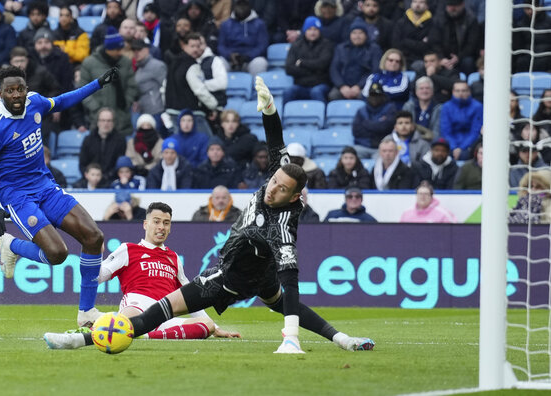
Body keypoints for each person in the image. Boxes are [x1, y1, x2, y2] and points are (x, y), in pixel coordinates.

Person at [66, 76, 375, 354]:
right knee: (275, 300)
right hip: (256, 272)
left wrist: (290, 338)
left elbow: (292, 281)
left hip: (230, 278)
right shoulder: (279, 176)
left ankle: (84, 339)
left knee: (162, 310)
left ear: (294, 197)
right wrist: (268, 109)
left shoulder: (283, 226)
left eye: (281, 189)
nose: (272, 188)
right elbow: (275, 141)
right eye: (274, 181)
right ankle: (342, 340)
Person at [0, 64, 120, 328]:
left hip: (45, 186)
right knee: (57, 253)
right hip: (17, 196)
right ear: (0, 93)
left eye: (20, 89)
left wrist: (97, 83)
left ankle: (86, 312)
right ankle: (11, 246)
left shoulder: (35, 103)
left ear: (26, 90)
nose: (16, 95)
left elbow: (62, 101)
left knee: (94, 237)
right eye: (10, 91)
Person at [44, 202, 240, 349]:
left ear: (170, 227)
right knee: (129, 316)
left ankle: (140, 335)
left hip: (165, 314)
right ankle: (92, 334)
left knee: (206, 325)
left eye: (166, 223)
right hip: (137, 307)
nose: (161, 227)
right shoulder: (128, 249)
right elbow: (97, 276)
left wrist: (215, 326)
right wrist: (94, 253)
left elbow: (191, 295)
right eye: (156, 222)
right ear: (146, 224)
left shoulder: (174, 258)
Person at [80, 27, 138, 137]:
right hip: (99, 119)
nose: (120, 52)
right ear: (109, 49)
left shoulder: (125, 62)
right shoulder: (89, 63)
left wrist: (126, 102)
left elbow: (132, 86)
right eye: (117, 49)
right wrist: (97, 108)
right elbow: (82, 90)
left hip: (122, 119)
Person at [328, 18, 382, 101]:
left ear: (366, 35)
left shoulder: (374, 49)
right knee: (333, 95)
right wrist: (342, 86)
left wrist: (359, 86)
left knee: (365, 96)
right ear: (350, 35)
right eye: (354, 33)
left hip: (364, 86)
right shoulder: (341, 48)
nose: (357, 36)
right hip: (343, 86)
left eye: (360, 33)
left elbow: (375, 71)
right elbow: (334, 69)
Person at [283, 16, 333, 105]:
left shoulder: (327, 45)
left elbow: (323, 64)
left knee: (316, 92)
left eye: (315, 29)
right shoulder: (296, 45)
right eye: (309, 29)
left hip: (320, 84)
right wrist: (313, 70)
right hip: (301, 85)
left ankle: (323, 117)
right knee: (288, 92)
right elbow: (289, 68)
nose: (312, 32)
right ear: (305, 30)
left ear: (319, 31)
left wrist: (302, 63)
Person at [217, 0, 268, 78]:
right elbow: (221, 46)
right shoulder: (225, 24)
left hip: (251, 59)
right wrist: (229, 55)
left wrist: (248, 56)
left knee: (260, 62)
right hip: (231, 59)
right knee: (218, 62)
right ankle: (222, 90)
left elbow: (262, 46)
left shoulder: (259, 24)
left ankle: (256, 90)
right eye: (239, 5)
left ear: (250, 6)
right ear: (234, 6)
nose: (242, 8)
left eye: (245, 5)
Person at [430, 0, 481, 75]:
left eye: (456, 6)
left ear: (462, 5)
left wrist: (459, 57)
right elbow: (434, 41)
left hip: (463, 57)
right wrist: (441, 58)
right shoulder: (438, 20)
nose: (453, 8)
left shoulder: (470, 20)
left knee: (468, 62)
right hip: (442, 56)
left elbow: (472, 44)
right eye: (450, 6)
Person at [391, 0, 435, 72]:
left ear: (427, 5)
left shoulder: (433, 24)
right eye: (415, 1)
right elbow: (396, 44)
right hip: (403, 58)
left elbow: (428, 47)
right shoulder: (401, 22)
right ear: (411, 4)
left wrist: (405, 41)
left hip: (422, 60)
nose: (417, 4)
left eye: (421, 2)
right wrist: (419, 43)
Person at [440, 81, 483, 161]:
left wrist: (461, 148)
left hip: (470, 144)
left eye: (464, 91)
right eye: (457, 91)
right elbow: (446, 131)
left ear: (469, 92)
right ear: (453, 92)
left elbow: (475, 131)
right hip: (451, 144)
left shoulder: (477, 107)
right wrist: (454, 147)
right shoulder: (446, 107)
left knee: (467, 154)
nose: (460, 93)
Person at [78, 107, 126, 180]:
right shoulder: (88, 140)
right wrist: (91, 177)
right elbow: (82, 164)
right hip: (90, 180)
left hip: (111, 180)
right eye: (103, 120)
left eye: (109, 121)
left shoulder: (120, 140)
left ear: (113, 123)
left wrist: (106, 177)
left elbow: (119, 165)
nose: (106, 123)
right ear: (98, 122)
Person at [352, 82, 397, 159]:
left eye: (377, 95)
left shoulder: (390, 108)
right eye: (372, 95)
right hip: (362, 146)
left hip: (381, 147)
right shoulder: (361, 110)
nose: (374, 98)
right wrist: (377, 126)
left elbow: (386, 128)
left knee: (385, 158)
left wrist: (367, 124)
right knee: (349, 156)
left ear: (383, 96)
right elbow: (356, 131)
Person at [402, 76, 443, 142]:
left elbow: (437, 132)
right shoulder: (408, 106)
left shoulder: (439, 108)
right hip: (410, 142)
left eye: (427, 88)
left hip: (431, 143)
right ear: (416, 91)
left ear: (432, 91)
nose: (424, 91)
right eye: (421, 88)